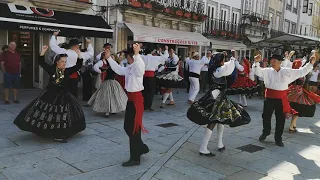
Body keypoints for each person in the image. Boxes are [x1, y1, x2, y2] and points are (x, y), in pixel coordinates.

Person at [14, 45, 86, 143]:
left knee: (62, 116)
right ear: (57, 62)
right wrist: (43, 51)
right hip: (50, 95)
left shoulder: (67, 71)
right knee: (48, 114)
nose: (64, 63)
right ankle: (50, 133)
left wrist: (79, 55)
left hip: (64, 96)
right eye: (62, 61)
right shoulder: (52, 69)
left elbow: (78, 66)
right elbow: (41, 62)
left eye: (65, 62)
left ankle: (59, 135)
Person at [187, 53, 251, 156]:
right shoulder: (217, 71)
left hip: (219, 98)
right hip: (215, 99)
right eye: (223, 60)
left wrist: (232, 61)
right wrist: (232, 61)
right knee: (213, 121)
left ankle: (220, 144)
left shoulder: (215, 68)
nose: (223, 62)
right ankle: (203, 147)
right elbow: (228, 69)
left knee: (221, 120)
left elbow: (231, 68)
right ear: (220, 61)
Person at [253, 53, 315, 147]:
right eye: (271, 61)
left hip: (281, 99)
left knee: (280, 119)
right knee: (266, 116)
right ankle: (266, 132)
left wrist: (310, 64)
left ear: (280, 62)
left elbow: (301, 72)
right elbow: (257, 71)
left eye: (275, 61)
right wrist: (256, 62)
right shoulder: (267, 71)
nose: (272, 63)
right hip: (269, 98)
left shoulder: (287, 71)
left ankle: (278, 138)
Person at [106, 44, 149, 167]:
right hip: (130, 100)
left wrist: (137, 54)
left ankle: (135, 158)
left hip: (136, 101)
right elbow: (119, 69)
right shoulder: (129, 67)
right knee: (128, 127)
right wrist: (109, 59)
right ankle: (141, 147)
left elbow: (141, 69)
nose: (126, 58)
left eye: (127, 56)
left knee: (134, 129)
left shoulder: (137, 66)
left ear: (131, 57)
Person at [50, 31, 94, 98]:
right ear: (76, 46)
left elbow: (53, 47)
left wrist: (54, 35)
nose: (79, 46)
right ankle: (72, 105)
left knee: (63, 91)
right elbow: (90, 53)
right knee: (73, 92)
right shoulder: (80, 54)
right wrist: (89, 43)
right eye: (78, 45)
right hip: (73, 74)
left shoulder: (65, 51)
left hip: (64, 73)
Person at [88, 52, 127, 117]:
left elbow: (120, 70)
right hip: (106, 82)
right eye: (110, 57)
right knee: (106, 97)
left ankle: (113, 109)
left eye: (112, 57)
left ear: (115, 58)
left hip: (113, 82)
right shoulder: (106, 65)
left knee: (115, 97)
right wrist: (100, 71)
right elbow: (96, 67)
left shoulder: (116, 65)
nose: (110, 58)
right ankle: (107, 111)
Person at [288, 59, 320, 133]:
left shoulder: (294, 72)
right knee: (299, 108)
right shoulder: (297, 72)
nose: (301, 65)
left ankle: (293, 124)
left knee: (296, 108)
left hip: (293, 92)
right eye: (300, 64)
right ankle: (291, 126)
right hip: (296, 93)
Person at [141, 46, 169, 111]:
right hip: (151, 76)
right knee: (151, 92)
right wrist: (166, 50)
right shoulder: (155, 58)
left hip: (144, 76)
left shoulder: (142, 57)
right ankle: (149, 106)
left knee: (145, 91)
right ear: (152, 51)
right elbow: (165, 57)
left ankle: (144, 106)